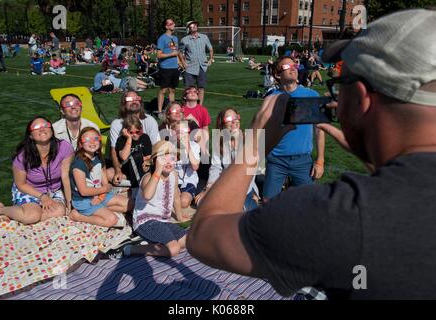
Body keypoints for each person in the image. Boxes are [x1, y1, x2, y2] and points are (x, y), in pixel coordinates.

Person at [187, 9, 436, 299]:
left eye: (340, 87)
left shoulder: (336, 215)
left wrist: (253, 146)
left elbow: (203, 235)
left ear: (361, 97)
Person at [107, 141, 191, 259]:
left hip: (163, 220)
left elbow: (176, 197)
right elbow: (147, 195)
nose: (168, 161)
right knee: (174, 249)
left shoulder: (174, 175)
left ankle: (153, 243)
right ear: (154, 161)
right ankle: (130, 248)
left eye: (172, 158)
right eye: (163, 158)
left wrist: (180, 216)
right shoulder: (148, 177)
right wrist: (157, 171)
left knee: (187, 242)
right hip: (146, 220)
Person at [0, 117, 74, 224]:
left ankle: (15, 216)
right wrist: (42, 197)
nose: (41, 129)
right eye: (36, 127)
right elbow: (21, 184)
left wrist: (69, 205)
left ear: (52, 130)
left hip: (53, 190)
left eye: (45, 125)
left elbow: (65, 177)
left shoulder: (65, 147)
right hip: (29, 189)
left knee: (59, 212)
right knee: (32, 216)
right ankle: (0, 209)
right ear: (31, 135)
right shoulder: (23, 155)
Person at [262, 56, 326, 203]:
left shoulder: (312, 96)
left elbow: (319, 130)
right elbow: (263, 131)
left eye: (294, 66)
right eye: (287, 67)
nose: (293, 68)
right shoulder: (270, 99)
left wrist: (320, 161)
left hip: (303, 160)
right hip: (276, 160)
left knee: (308, 203)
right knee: (268, 203)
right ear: (278, 75)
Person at [194, 108, 259, 210]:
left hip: (244, 188)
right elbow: (216, 167)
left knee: (237, 210)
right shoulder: (219, 141)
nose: (233, 121)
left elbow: (251, 172)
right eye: (229, 119)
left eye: (235, 117)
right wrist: (208, 188)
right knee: (201, 202)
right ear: (222, 124)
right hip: (223, 184)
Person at [69, 127, 130, 227]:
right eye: (87, 139)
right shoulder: (78, 164)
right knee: (112, 220)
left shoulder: (98, 158)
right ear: (80, 144)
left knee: (129, 204)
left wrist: (100, 196)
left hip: (99, 194)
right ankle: (78, 216)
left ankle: (101, 208)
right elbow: (83, 191)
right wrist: (104, 189)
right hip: (83, 200)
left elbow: (105, 182)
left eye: (96, 138)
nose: (92, 142)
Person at [109, 91, 160, 185]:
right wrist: (117, 170)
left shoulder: (149, 121)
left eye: (137, 99)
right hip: (125, 166)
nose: (134, 101)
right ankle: (138, 184)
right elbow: (114, 151)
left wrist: (148, 163)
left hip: (144, 165)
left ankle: (135, 186)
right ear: (123, 103)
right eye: (130, 99)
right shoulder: (117, 123)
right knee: (108, 174)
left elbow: (156, 147)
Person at [179, 20, 214, 104]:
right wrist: (182, 63)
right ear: (188, 28)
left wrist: (210, 59)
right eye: (191, 25)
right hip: (189, 67)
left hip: (202, 66)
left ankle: (200, 106)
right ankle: (187, 105)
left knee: (201, 88)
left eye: (195, 24)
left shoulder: (204, 37)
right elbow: (179, 52)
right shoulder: (184, 40)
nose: (194, 26)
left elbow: (211, 49)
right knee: (188, 89)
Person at [115, 115, 152, 188]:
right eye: (131, 132)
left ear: (141, 129)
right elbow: (124, 157)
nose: (134, 135)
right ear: (125, 131)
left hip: (142, 167)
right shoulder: (121, 140)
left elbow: (148, 157)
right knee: (135, 156)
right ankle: (138, 185)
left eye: (137, 132)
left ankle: (135, 184)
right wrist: (129, 138)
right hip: (127, 169)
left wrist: (147, 163)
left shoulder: (144, 137)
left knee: (138, 157)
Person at [170, 121, 200, 209]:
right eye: (179, 131)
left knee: (183, 202)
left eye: (185, 131)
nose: (183, 134)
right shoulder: (170, 146)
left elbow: (195, 167)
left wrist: (187, 147)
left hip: (189, 181)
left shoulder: (194, 146)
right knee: (171, 200)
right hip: (173, 181)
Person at [155, 18, 181, 116]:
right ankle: (160, 111)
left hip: (174, 68)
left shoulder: (175, 38)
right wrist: (171, 54)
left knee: (172, 90)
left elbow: (176, 53)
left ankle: (171, 110)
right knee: (163, 90)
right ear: (166, 26)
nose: (173, 24)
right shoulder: (162, 38)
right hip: (165, 68)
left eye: (173, 22)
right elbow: (159, 55)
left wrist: (179, 62)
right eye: (171, 23)